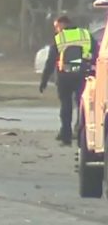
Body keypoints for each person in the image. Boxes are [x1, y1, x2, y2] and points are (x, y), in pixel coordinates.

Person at [39, 15, 97, 146]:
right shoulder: (85, 34)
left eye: (57, 27)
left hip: (64, 75)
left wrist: (44, 80)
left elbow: (51, 61)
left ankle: (66, 135)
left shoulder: (60, 38)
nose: (56, 30)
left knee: (66, 106)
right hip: (82, 74)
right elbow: (96, 51)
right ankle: (82, 135)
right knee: (82, 105)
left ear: (62, 24)